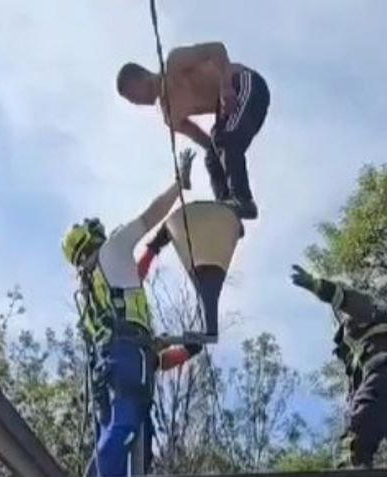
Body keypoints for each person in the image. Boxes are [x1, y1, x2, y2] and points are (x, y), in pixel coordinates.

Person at [63, 150, 203, 476]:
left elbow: (154, 362)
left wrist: (188, 350)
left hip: (113, 367)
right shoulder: (112, 250)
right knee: (124, 428)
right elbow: (150, 215)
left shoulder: (98, 295)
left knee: (121, 442)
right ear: (94, 238)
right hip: (126, 360)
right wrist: (179, 185)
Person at [116, 41, 270, 220]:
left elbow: (217, 49)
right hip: (236, 111)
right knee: (212, 158)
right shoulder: (170, 117)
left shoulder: (174, 64)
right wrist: (215, 157)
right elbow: (206, 142)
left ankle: (243, 199)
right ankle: (228, 217)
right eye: (132, 102)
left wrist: (225, 87)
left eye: (133, 96)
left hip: (244, 85)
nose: (137, 103)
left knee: (225, 137)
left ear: (138, 80)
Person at [290, 265, 387, 468]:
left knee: (354, 441)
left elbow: (345, 299)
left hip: (386, 375)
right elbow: (356, 397)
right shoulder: (361, 361)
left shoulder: (367, 312)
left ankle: (352, 467)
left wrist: (315, 284)